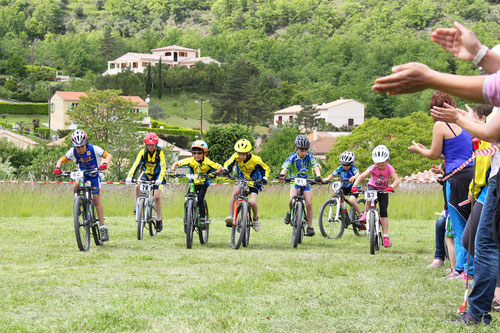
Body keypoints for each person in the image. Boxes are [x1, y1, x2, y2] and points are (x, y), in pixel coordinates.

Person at [373, 22, 500, 325]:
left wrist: (431, 77)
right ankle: (479, 306)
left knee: (472, 237)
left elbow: (492, 96)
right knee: (473, 236)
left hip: (461, 178)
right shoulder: (458, 121)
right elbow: (490, 124)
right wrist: (479, 55)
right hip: (473, 176)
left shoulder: (440, 125)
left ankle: (476, 302)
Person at [408, 92, 474, 280]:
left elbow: (434, 154)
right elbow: (456, 153)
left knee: (459, 226)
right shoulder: (462, 121)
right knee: (469, 223)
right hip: (470, 175)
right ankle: (465, 269)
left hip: (455, 178)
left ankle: (463, 271)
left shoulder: (440, 125)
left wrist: (419, 149)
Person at [53, 129, 112, 241]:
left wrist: (105, 164)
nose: (79, 149)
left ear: (86, 144)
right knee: (75, 185)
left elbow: (108, 156)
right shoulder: (73, 151)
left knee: (96, 200)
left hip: (94, 175)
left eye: (81, 147)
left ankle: (103, 227)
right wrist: (57, 168)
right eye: (77, 147)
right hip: (83, 174)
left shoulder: (94, 149)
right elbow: (61, 160)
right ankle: (78, 203)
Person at [351, 145, 400, 247]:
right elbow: (361, 176)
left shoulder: (389, 168)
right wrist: (355, 186)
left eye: (382, 162)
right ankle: (365, 213)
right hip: (373, 186)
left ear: (387, 160)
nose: (380, 165)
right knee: (369, 195)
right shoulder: (373, 167)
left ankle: (385, 236)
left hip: (384, 190)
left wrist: (391, 187)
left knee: (384, 212)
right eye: (378, 163)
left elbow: (397, 180)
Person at [462, 104, 493, 258]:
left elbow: (483, 164)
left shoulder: (488, 134)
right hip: (488, 190)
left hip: (488, 191)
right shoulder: (487, 132)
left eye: (473, 120)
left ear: (482, 119)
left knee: (470, 239)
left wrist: (473, 190)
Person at [169, 140, 222, 225]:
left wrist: (214, 173)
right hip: (193, 183)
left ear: (204, 153)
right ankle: (187, 217)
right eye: (194, 153)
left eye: (199, 153)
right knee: (188, 198)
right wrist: (172, 171)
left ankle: (202, 217)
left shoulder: (208, 162)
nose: (196, 155)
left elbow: (220, 167)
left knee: (200, 198)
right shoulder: (190, 160)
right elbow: (176, 164)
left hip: (203, 183)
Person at [222, 139, 270, 232]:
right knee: (235, 193)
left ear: (248, 153)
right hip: (242, 179)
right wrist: (226, 170)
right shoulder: (236, 157)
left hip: (254, 181)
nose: (240, 156)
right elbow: (228, 163)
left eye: (243, 154)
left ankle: (255, 219)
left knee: (252, 202)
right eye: (239, 154)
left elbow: (266, 168)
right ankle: (231, 216)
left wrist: (265, 178)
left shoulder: (256, 159)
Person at [278, 134, 322, 237]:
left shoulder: (309, 156)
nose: (304, 153)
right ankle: (290, 212)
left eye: (306, 150)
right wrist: (282, 174)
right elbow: (286, 167)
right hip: (295, 182)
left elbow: (315, 166)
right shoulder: (293, 157)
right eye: (302, 150)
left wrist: (318, 176)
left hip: (306, 182)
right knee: (292, 199)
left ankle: (309, 227)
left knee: (309, 203)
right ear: (297, 148)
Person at [126, 133, 167, 232]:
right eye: (148, 145)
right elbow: (136, 163)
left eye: (152, 145)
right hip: (147, 173)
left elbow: (163, 166)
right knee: (137, 187)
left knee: (157, 197)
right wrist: (130, 176)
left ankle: (158, 219)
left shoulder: (159, 152)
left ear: (156, 144)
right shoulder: (142, 152)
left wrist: (160, 178)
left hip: (158, 176)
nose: (150, 147)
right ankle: (138, 207)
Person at [323, 150, 364, 229]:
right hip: (345, 187)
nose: (345, 166)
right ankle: (340, 210)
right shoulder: (340, 168)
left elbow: (358, 174)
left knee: (352, 200)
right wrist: (326, 180)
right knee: (336, 193)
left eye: (347, 164)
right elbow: (332, 174)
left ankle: (361, 215)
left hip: (354, 188)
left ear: (351, 163)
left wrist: (354, 177)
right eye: (343, 164)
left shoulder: (353, 168)